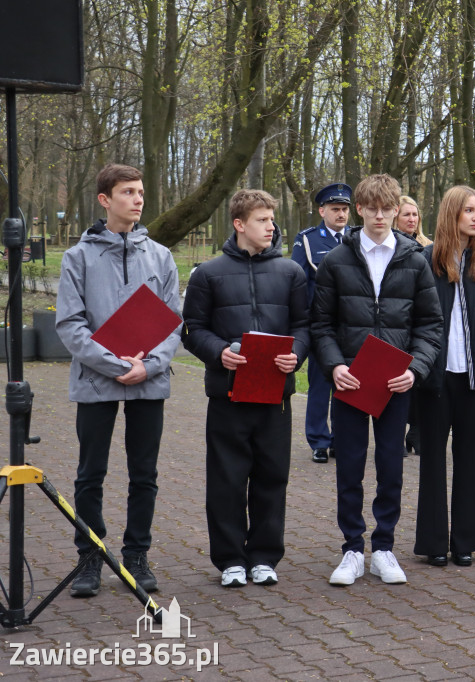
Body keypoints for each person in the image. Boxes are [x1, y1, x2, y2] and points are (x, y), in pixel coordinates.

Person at [311, 174, 443, 586]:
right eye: (373, 208)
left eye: (387, 208)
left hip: (394, 382)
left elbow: (431, 325)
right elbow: (321, 325)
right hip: (350, 381)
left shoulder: (415, 260)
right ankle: (352, 549)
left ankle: (384, 547)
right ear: (360, 210)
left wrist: (415, 369)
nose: (380, 216)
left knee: (391, 466)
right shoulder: (336, 260)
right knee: (349, 467)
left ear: (396, 210)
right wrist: (335, 366)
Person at [55, 163, 181, 597]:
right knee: (90, 474)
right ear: (105, 199)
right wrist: (114, 364)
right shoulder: (78, 257)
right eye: (128, 192)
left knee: (144, 473)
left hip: (149, 379)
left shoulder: (160, 256)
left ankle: (136, 555)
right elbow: (70, 324)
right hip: (96, 380)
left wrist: (150, 365)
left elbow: (174, 323)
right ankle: (90, 556)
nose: (138, 199)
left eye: (141, 191)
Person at [181, 189, 309, 588]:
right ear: (239, 224)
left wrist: (296, 355)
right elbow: (192, 330)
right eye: (262, 220)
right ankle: (231, 560)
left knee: (272, 477)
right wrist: (218, 352)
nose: (271, 227)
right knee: (227, 480)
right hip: (228, 395)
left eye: (272, 219)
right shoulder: (207, 274)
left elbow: (304, 326)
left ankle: (265, 557)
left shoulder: (291, 273)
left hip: (275, 396)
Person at [414, 186, 475, 568]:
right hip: (435, 377)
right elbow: (417, 316)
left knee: (469, 458)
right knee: (432, 459)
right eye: (469, 210)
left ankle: (466, 540)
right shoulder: (425, 260)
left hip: (473, 377)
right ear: (452, 214)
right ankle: (434, 542)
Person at [293, 183, 352, 463]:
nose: (341, 214)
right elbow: (298, 283)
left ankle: (342, 438)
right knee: (320, 384)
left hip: (352, 325)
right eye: (335, 209)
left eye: (345, 209)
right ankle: (318, 440)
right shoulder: (308, 240)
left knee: (348, 384)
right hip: (321, 325)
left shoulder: (358, 238)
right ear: (322, 211)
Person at [392, 195, 431, 455]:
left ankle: (416, 431)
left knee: (420, 380)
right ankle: (395, 434)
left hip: (421, 322)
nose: (412, 219)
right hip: (397, 321)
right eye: (406, 214)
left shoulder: (428, 247)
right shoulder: (389, 245)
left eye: (415, 214)